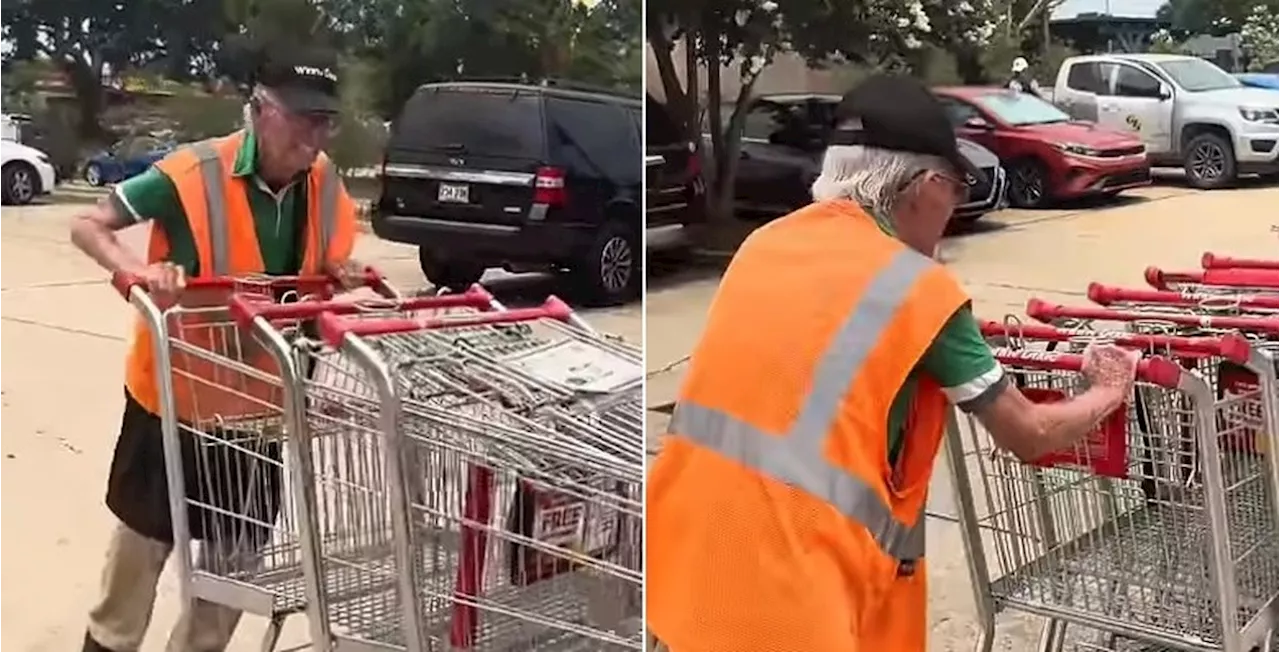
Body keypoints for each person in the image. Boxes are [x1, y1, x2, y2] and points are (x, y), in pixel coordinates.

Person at [644, 74, 1140, 651]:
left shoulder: (764, 246)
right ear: (924, 187)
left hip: (682, 562)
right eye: (957, 190)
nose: (953, 210)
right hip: (790, 601)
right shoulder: (917, 290)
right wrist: (1106, 391)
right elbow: (1028, 434)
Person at [70, 44, 364, 652]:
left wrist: (343, 275)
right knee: (140, 555)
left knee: (234, 573)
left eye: (324, 120)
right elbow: (89, 225)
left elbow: (325, 262)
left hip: (261, 414)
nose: (314, 134)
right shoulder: (191, 174)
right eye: (301, 117)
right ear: (259, 110)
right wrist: (136, 273)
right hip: (176, 401)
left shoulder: (324, 181)